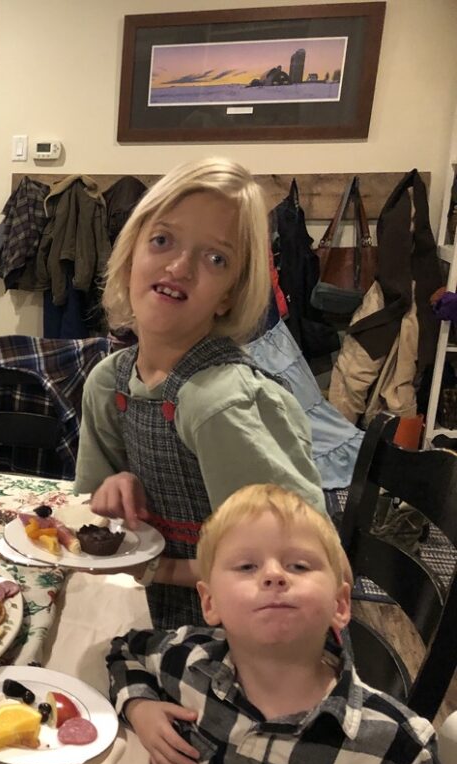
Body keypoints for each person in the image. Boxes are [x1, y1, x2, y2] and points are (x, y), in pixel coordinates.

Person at [108, 484, 457, 764]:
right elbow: (126, 651)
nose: (274, 575)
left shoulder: (397, 745)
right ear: (210, 602)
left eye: (299, 566)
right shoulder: (191, 662)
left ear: (340, 604)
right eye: (247, 566)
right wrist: (140, 706)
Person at [75, 157, 323, 629]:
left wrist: (157, 569)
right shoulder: (109, 383)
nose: (179, 267)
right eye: (162, 240)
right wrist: (114, 487)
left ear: (229, 294)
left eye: (215, 259)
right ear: (130, 254)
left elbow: (296, 564)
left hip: (246, 641)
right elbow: (93, 513)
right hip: (150, 619)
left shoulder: (219, 403)